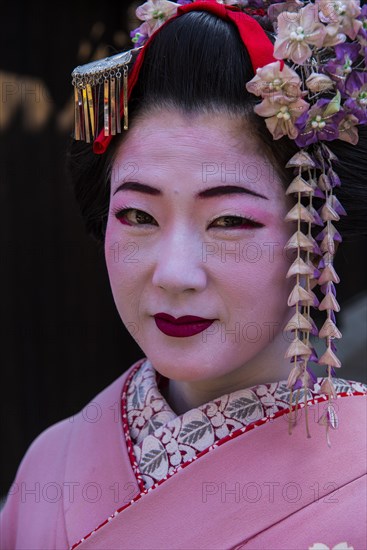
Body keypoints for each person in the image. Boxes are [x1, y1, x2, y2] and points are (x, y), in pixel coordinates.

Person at [1, 1, 366, 548]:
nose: (174, 274)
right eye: (138, 216)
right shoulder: (50, 464)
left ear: (314, 237)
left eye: (229, 221)